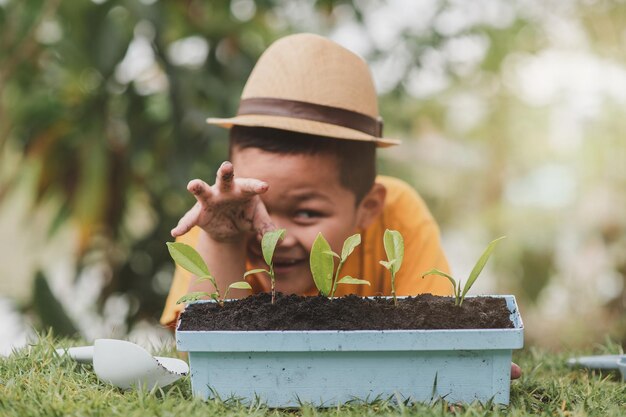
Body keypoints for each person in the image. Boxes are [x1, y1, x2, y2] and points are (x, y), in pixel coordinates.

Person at [159, 33, 521, 379]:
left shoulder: (398, 214)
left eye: (306, 213)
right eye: (258, 207)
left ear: (368, 206)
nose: (275, 233)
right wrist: (223, 242)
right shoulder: (218, 219)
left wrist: (460, 357)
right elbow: (205, 358)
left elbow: (437, 329)